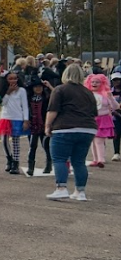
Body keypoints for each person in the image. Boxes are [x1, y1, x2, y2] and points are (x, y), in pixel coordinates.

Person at [45, 64, 97, 201]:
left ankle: (61, 188)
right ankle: (80, 191)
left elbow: (53, 110)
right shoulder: (88, 92)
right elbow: (94, 113)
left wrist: (47, 126)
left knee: (59, 158)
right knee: (79, 161)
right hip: (87, 128)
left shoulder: (60, 90)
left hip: (65, 127)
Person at [83, 73, 119, 169]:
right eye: (93, 82)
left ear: (102, 83)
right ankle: (95, 159)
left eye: (97, 82)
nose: (95, 83)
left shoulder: (106, 94)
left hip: (103, 119)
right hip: (90, 119)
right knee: (92, 141)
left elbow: (115, 107)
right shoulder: (87, 94)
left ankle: (101, 159)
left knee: (99, 140)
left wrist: (111, 97)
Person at [0, 71, 29, 175]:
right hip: (6, 117)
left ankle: (15, 163)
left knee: (16, 142)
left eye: (15, 78)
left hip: (17, 117)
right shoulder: (4, 90)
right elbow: (2, 103)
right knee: (4, 140)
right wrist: (8, 92)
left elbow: (25, 106)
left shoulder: (21, 91)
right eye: (10, 79)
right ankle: (9, 159)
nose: (13, 81)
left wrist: (26, 120)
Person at [25, 77, 51, 176]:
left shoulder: (47, 97)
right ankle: (30, 167)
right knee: (32, 146)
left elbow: (56, 94)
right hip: (32, 125)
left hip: (44, 124)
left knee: (46, 146)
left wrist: (49, 85)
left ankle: (48, 165)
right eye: (36, 87)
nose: (38, 88)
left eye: (40, 86)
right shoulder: (28, 98)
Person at [111, 71, 121, 161]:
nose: (117, 81)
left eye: (118, 79)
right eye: (115, 80)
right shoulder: (110, 92)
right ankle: (116, 153)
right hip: (115, 117)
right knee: (116, 135)